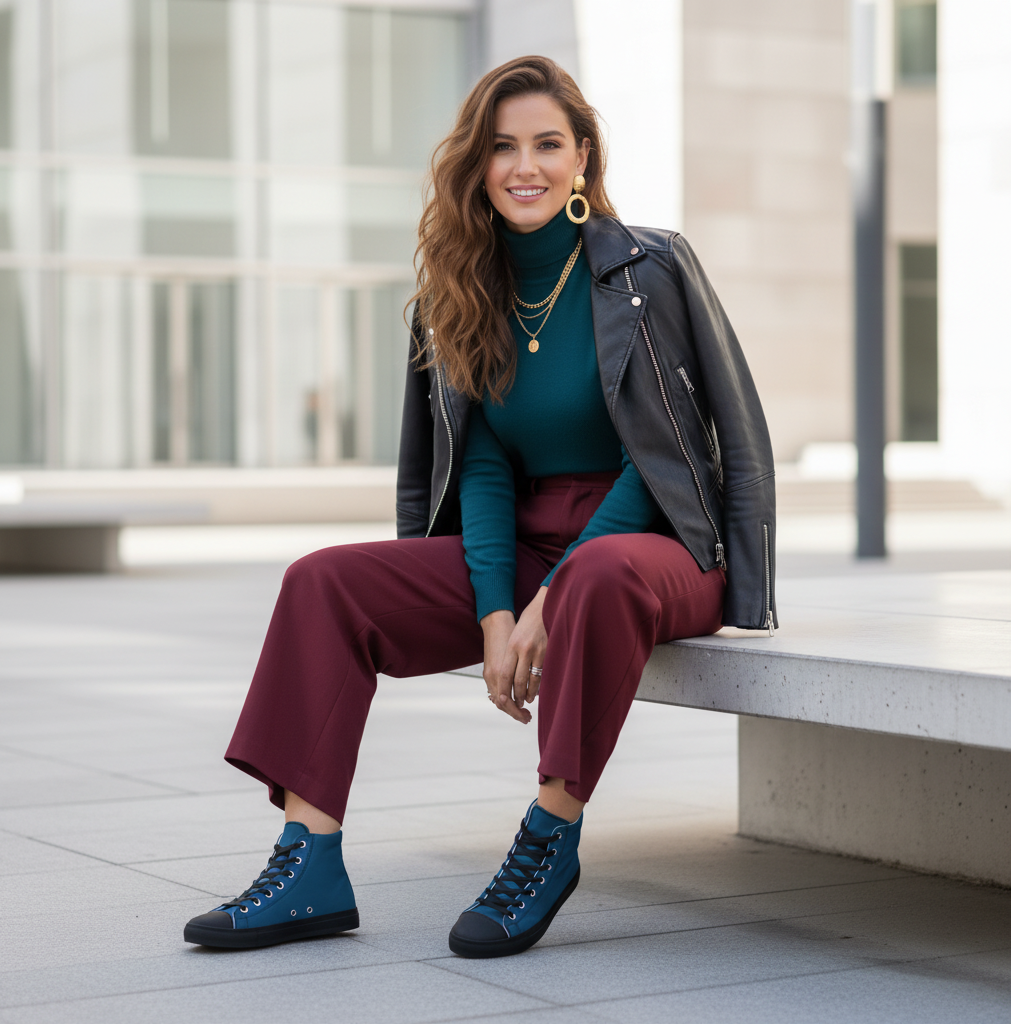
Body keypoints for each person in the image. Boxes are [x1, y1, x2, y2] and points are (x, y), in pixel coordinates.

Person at [183, 55, 776, 959]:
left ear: (583, 157)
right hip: (531, 545)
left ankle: (549, 836)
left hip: (655, 542)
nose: (524, 166)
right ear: (477, 165)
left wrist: (550, 598)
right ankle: (309, 863)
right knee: (324, 583)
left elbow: (661, 456)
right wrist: (499, 612)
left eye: (547, 144)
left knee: (600, 575)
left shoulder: (643, 268)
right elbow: (486, 467)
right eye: (503, 148)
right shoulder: (461, 290)